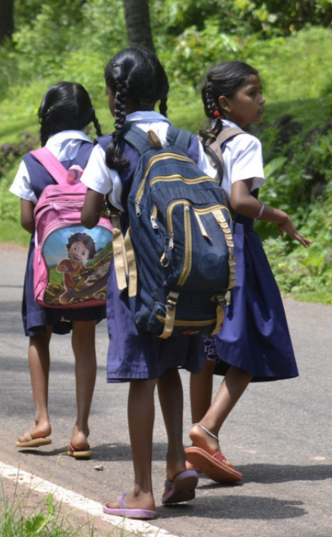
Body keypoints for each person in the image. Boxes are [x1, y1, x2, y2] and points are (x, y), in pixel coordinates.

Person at [79, 46, 209, 519]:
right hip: (187, 274)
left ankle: (141, 490)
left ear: (112, 95)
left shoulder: (110, 147)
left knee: (142, 377)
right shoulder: (188, 141)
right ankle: (178, 464)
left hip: (138, 276)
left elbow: (89, 214)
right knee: (172, 368)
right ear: (162, 90)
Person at [186, 61, 309, 484]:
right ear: (225, 102)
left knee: (206, 345)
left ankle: (193, 445)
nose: (261, 100)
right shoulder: (246, 142)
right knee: (256, 339)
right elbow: (240, 200)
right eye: (252, 93)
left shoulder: (196, 142)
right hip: (236, 247)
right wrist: (279, 215)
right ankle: (206, 428)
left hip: (199, 248)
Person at [9, 82, 107, 459]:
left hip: (44, 266)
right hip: (91, 267)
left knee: (39, 336)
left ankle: (42, 420)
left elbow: (26, 221)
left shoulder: (34, 160)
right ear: (87, 116)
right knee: (84, 342)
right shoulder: (99, 153)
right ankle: (81, 430)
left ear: (46, 116)